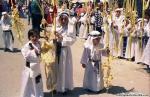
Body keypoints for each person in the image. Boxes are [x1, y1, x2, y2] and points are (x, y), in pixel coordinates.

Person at [54, 11, 76, 94]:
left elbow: (72, 40)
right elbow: (50, 37)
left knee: (63, 69)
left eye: (65, 19)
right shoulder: (56, 27)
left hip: (64, 50)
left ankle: (63, 88)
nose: (63, 21)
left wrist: (62, 38)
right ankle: (55, 86)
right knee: (55, 68)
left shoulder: (70, 28)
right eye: (61, 19)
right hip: (55, 49)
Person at [20, 29, 43, 97]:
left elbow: (42, 51)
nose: (34, 38)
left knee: (37, 81)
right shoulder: (28, 45)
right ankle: (30, 95)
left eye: (36, 36)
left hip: (37, 67)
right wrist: (33, 52)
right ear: (29, 37)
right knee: (30, 82)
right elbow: (26, 56)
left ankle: (38, 94)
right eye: (32, 36)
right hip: (30, 67)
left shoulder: (39, 43)